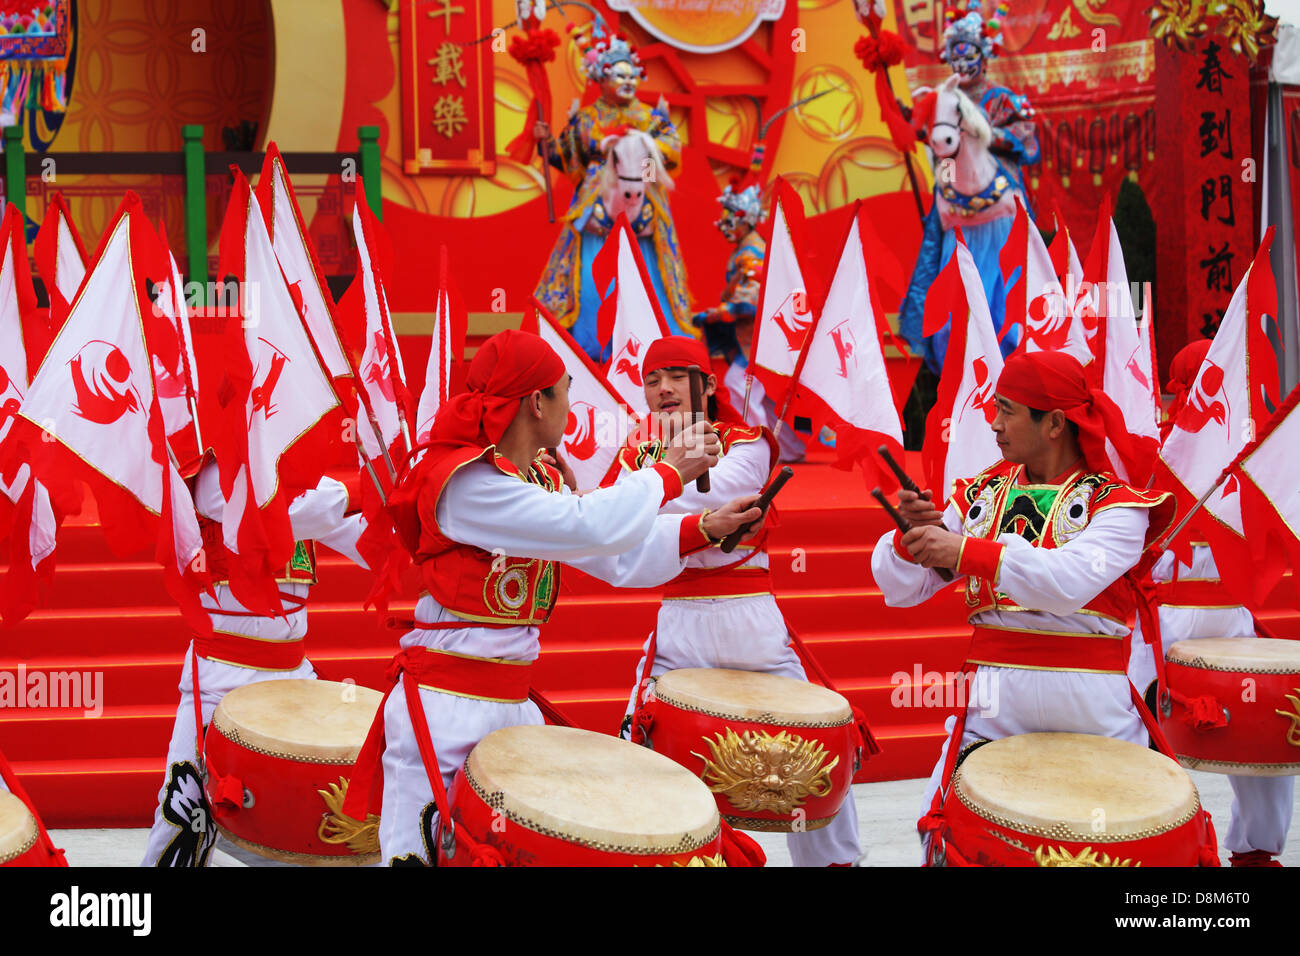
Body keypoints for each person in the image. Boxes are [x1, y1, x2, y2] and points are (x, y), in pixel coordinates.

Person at [341, 329, 764, 865]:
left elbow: (607, 554)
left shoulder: (534, 478)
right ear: (538, 403)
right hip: (446, 706)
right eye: (566, 389)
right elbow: (585, 524)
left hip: (513, 705)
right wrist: (668, 472)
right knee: (423, 856)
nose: (573, 405)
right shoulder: (465, 482)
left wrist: (700, 529)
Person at [870, 349, 1174, 862]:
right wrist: (912, 541)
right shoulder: (983, 494)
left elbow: (1068, 584)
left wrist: (965, 549)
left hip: (1091, 704)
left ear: (1054, 423)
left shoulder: (1118, 507)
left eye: (1007, 410)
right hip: (994, 694)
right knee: (944, 836)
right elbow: (901, 590)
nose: (993, 424)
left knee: (1111, 842)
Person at [612, 335, 866, 866]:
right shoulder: (635, 452)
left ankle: (835, 862)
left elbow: (715, 497)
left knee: (822, 741)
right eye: (652, 380)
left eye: (676, 377)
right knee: (640, 741)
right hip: (678, 619)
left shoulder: (747, 441)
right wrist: (639, 503)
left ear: (705, 384)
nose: (662, 390)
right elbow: (623, 525)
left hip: (752, 617)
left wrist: (642, 498)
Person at [140, 464, 367, 867]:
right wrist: (353, 489)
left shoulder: (297, 483)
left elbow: (362, 540)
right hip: (221, 676)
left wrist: (407, 516)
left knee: (301, 822)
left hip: (293, 679)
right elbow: (275, 516)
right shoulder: (213, 473)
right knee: (185, 816)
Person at [1128, 341, 1293, 867]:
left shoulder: (1254, 460)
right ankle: (1148, 845)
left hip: (1225, 618)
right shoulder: (1155, 460)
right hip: (1162, 620)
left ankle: (1256, 852)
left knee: (1264, 736)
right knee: (1131, 733)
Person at [532, 32, 694, 361]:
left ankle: (656, 349)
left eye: (632, 74)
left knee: (649, 284)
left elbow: (671, 154)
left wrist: (642, 151)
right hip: (595, 209)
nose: (628, 81)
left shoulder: (652, 119)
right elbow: (566, 158)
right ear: (601, 78)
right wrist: (545, 142)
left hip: (644, 205)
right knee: (591, 287)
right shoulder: (587, 118)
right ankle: (590, 350)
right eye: (619, 74)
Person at [897, 0, 1039, 372]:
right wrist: (941, 184)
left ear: (984, 55)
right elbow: (939, 157)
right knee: (950, 317)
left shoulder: (1002, 100)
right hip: (957, 220)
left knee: (1004, 313)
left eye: (969, 54)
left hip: (1000, 218)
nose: (961, 63)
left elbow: (1028, 143)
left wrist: (988, 133)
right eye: (955, 55)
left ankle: (1010, 381)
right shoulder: (941, 101)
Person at [693, 183, 806, 462]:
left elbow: (751, 297)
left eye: (731, 216)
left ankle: (759, 450)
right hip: (756, 337)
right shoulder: (746, 248)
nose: (724, 223)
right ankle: (790, 449)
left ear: (747, 218)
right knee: (763, 396)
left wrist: (715, 313)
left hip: (758, 339)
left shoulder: (752, 251)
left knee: (739, 384)